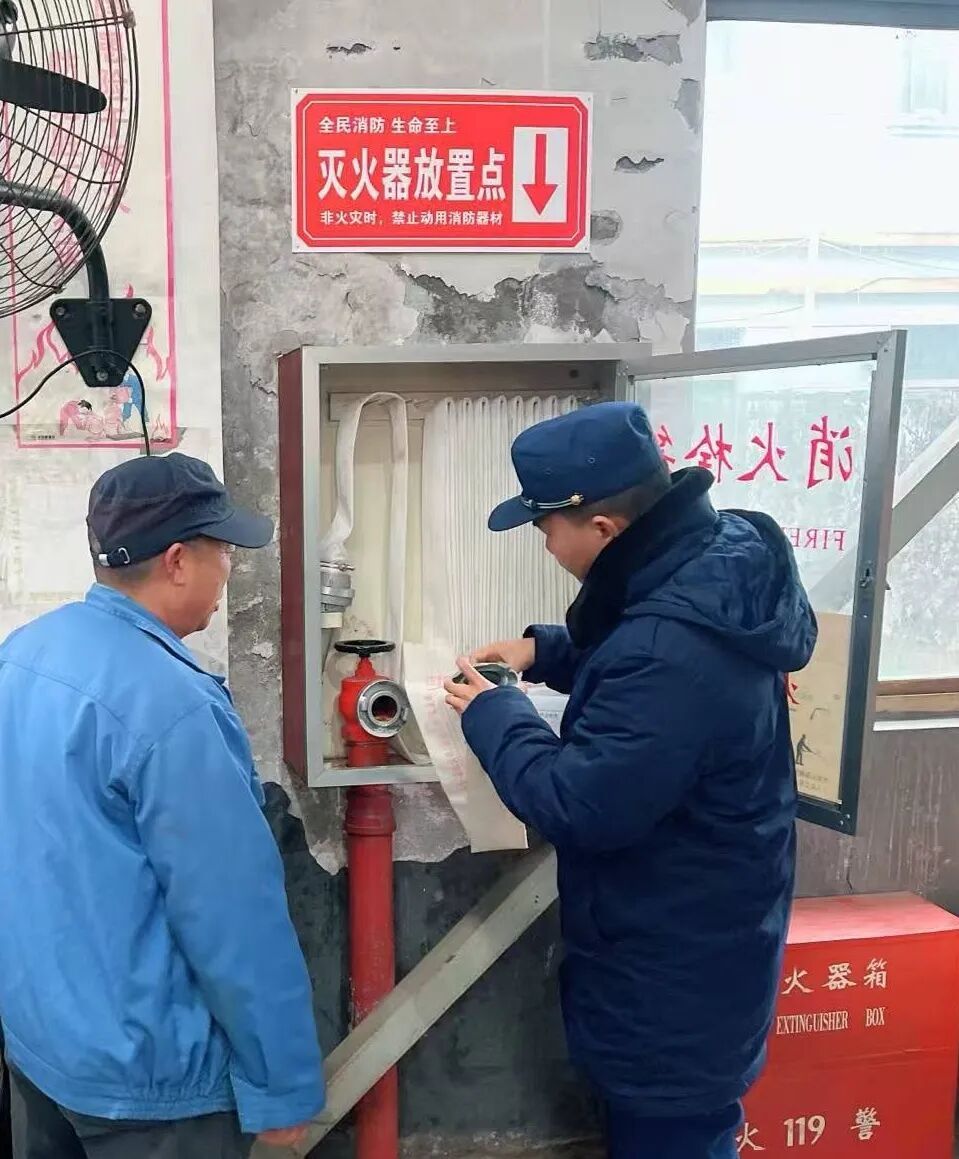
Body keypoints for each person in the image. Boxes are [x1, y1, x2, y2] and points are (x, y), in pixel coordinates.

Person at [444, 402, 817, 1159]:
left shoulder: (668, 646)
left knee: (674, 1135)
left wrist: (495, 713)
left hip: (673, 979)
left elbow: (578, 802)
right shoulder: (710, 558)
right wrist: (545, 650)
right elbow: (646, 670)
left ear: (603, 528)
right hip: (702, 940)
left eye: (546, 528)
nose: (545, 545)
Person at [0, 453, 324, 1159]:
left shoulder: (24, 654)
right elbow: (232, 915)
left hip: (41, 1043)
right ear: (178, 560)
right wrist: (282, 1085)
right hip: (149, 1082)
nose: (229, 570)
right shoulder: (174, 706)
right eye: (223, 550)